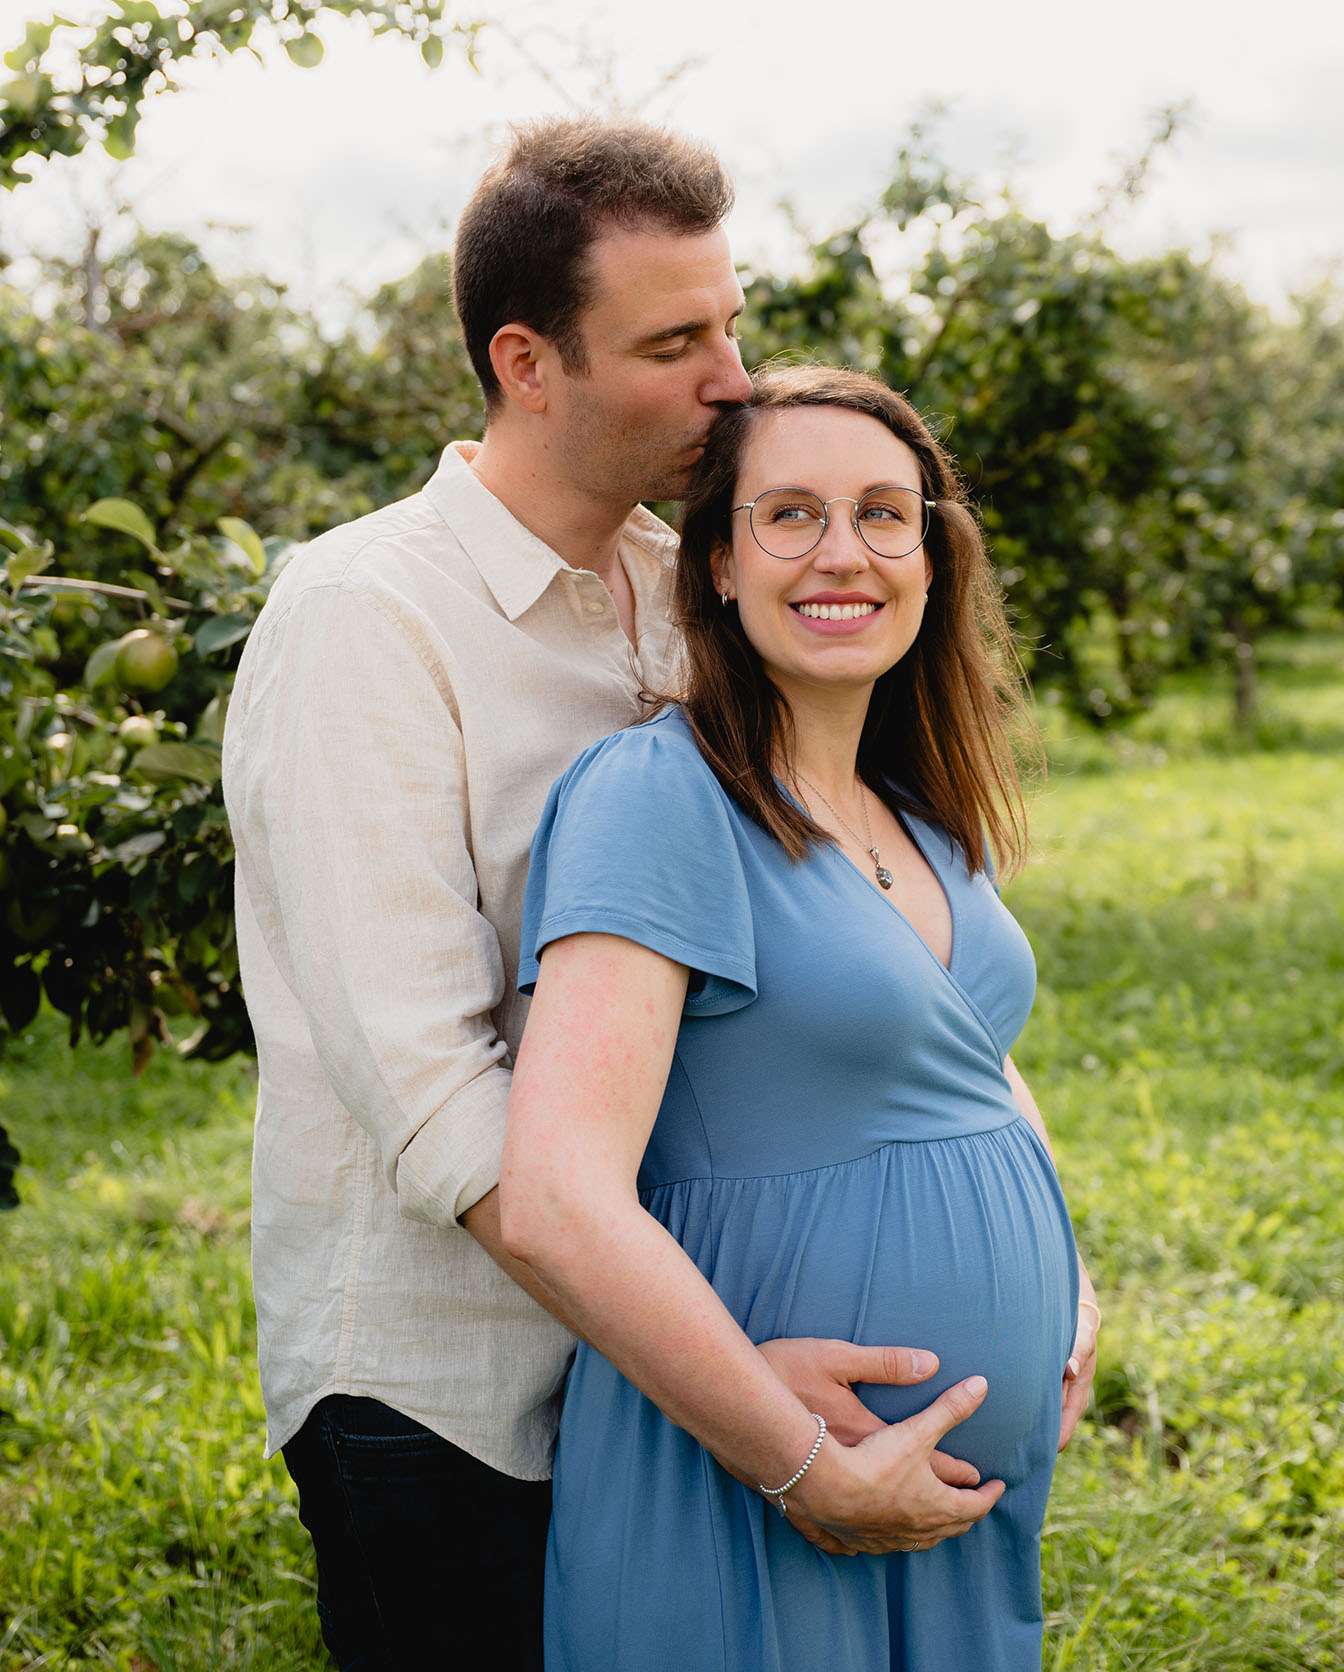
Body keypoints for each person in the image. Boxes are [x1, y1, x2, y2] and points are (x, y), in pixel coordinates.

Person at [222, 121, 1012, 1670]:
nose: (733, 379)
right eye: (673, 342)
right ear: (529, 361)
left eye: (732, 322)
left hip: (670, 1379)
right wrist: (751, 1406)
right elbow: (438, 1098)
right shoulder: (364, 620)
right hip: (454, 1405)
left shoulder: (696, 587)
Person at [499, 364, 1101, 1669]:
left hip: (950, 1512)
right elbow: (554, 1198)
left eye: (888, 514)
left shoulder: (923, 811)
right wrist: (803, 1466)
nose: (846, 553)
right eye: (791, 516)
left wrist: (1071, 1283)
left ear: (935, 560)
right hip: (755, 1483)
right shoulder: (660, 797)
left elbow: (971, 1062)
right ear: (717, 562)